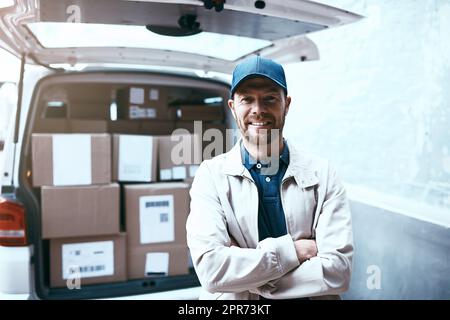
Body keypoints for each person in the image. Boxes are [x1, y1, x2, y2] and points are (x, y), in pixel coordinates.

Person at [186, 55, 353, 300]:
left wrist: (250, 281)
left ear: (286, 104)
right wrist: (293, 252)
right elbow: (212, 271)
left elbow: (338, 271)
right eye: (247, 99)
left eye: (270, 99)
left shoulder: (323, 174)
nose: (258, 110)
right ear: (233, 107)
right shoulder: (210, 176)